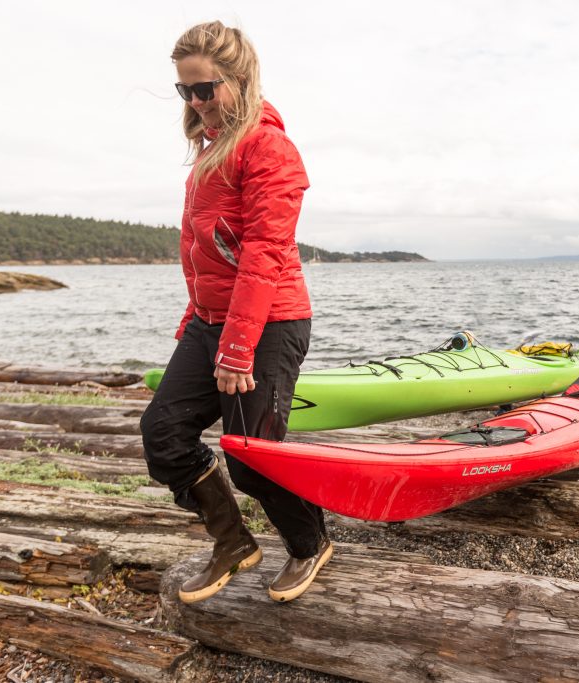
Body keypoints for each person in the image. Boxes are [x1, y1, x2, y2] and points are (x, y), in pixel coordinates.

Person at [140, 21, 331, 605]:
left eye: (206, 88)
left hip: (269, 322)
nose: (196, 103)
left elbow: (263, 254)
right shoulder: (207, 151)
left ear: (241, 79)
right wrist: (195, 322)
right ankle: (233, 543)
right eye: (185, 91)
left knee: (251, 459)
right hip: (212, 320)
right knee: (164, 434)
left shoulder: (268, 149)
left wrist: (237, 347)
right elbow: (204, 254)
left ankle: (309, 543)